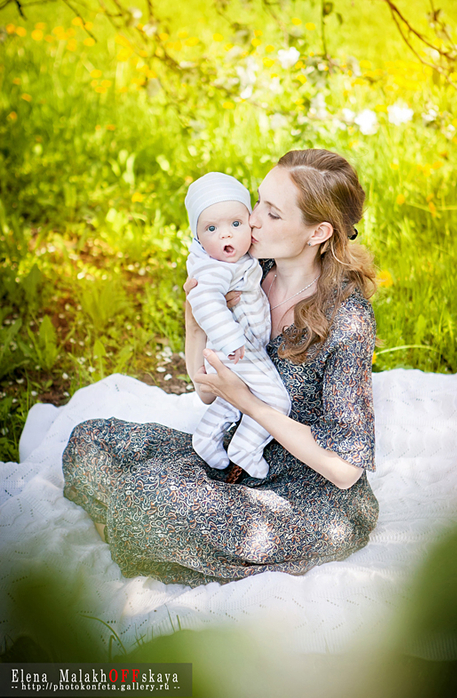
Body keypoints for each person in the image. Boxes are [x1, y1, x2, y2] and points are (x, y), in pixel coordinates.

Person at [62, 148, 379, 586]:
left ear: (318, 232)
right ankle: (154, 535)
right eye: (257, 202)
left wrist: (248, 402)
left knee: (148, 498)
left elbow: (345, 471)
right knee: (89, 441)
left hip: (304, 496)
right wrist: (195, 323)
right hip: (232, 458)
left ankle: (146, 531)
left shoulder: (347, 318)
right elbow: (207, 391)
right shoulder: (247, 272)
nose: (252, 221)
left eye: (272, 213)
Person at [184, 171, 291, 478]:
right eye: (211, 228)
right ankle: (246, 447)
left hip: (238, 346)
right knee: (276, 401)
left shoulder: (241, 261)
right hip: (237, 347)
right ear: (197, 237)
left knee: (233, 401)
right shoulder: (214, 268)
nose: (226, 235)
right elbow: (204, 300)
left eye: (235, 223)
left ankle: (206, 438)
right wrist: (231, 339)